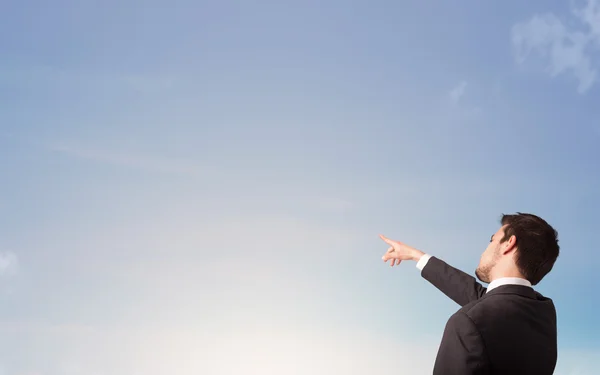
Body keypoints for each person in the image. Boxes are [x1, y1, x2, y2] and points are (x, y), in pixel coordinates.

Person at [380, 213, 560, 375]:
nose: (486, 248)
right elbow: (487, 299)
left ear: (509, 244)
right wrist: (417, 256)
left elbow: (485, 307)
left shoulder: (466, 323)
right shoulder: (544, 311)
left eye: (492, 240)